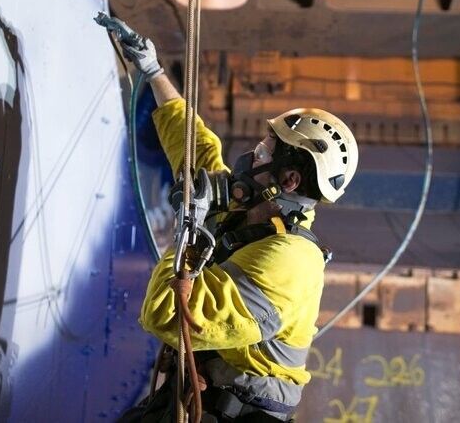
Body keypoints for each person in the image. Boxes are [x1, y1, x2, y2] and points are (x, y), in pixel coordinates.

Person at [118, 30, 358, 422]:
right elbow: (197, 146)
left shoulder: (290, 263)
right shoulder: (247, 209)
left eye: (265, 150)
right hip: (208, 397)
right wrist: (153, 70)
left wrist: (190, 224)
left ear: (290, 180)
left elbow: (167, 313)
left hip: (241, 413)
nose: (252, 154)